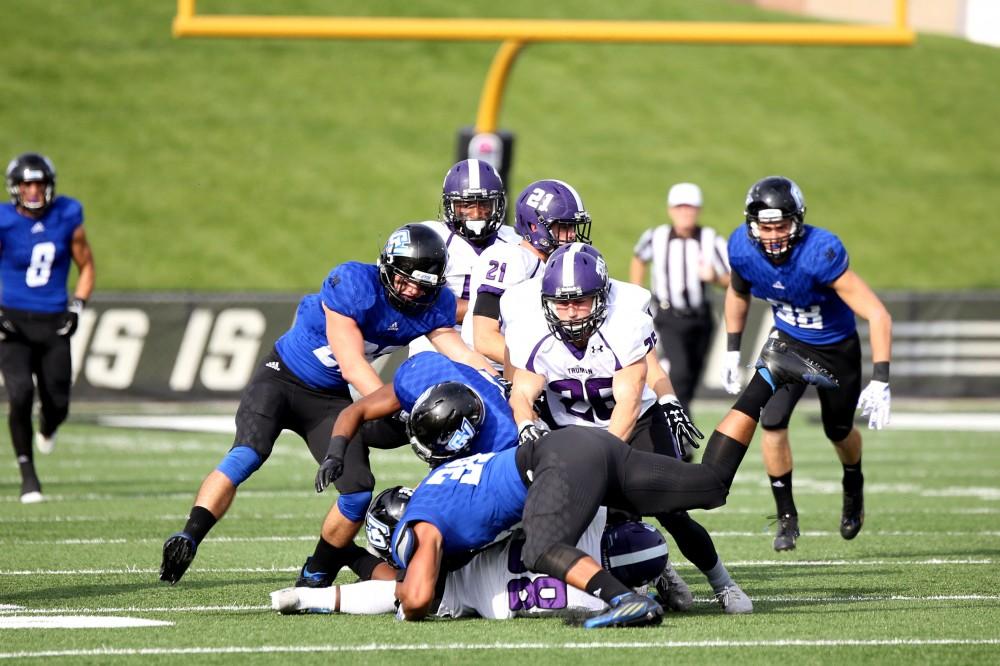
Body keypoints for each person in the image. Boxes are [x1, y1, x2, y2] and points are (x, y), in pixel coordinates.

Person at [385, 337, 836, 628]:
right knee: (711, 484)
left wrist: (403, 593)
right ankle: (768, 374)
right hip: (584, 449)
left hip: (557, 460)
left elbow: (420, 598)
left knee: (541, 549)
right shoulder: (442, 487)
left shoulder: (424, 521)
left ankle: (624, 600)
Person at [159, 224, 493, 584]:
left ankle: (318, 569)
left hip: (326, 401)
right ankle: (189, 534)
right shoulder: (353, 284)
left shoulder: (434, 304)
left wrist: (493, 379)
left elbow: (459, 351)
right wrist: (400, 408)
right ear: (386, 269)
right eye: (404, 280)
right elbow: (352, 367)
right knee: (248, 452)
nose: (412, 290)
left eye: (422, 283)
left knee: (357, 491)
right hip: (281, 379)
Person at [503, 242, 750, 615]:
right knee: (586, 519)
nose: (570, 312)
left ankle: (723, 583)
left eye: (581, 301)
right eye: (561, 302)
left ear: (601, 297)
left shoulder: (626, 321)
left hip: (633, 426)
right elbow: (522, 390)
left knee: (672, 511)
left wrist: (597, 463)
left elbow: (629, 401)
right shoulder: (531, 327)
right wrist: (525, 424)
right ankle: (651, 573)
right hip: (568, 434)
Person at [721, 175, 893, 552]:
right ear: (752, 226)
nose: (773, 235)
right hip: (787, 345)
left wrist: (881, 378)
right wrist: (733, 349)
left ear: (797, 222)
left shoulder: (820, 253)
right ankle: (786, 517)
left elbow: (878, 315)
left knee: (839, 431)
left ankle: (853, 483)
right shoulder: (742, 249)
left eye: (780, 225)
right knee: (772, 420)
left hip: (835, 349)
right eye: (765, 227)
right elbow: (737, 293)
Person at [299, 350, 517, 585]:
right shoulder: (424, 374)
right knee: (394, 512)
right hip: (469, 430)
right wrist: (335, 453)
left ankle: (357, 558)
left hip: (500, 469)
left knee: (422, 539)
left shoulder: (503, 445)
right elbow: (356, 410)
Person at [271, 499, 671, 621]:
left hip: (479, 556)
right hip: (490, 598)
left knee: (405, 586)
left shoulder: (591, 520)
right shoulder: (600, 601)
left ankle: (344, 558)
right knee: (403, 590)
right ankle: (317, 591)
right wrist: (660, 580)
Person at [1, 153, 96, 504]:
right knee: (21, 392)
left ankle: (48, 425)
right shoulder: (4, 220)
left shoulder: (68, 214)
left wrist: (78, 306)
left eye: (39, 182)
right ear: (16, 186)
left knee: (58, 402)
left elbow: (86, 265)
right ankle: (29, 476)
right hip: (12, 321)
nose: (34, 190)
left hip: (54, 319)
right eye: (27, 183)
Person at [629, 182, 730, 437]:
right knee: (681, 372)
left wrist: (715, 277)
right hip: (668, 316)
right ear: (671, 210)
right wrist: (636, 291)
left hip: (700, 317)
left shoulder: (711, 240)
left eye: (690, 208)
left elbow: (733, 278)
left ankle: (677, 424)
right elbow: (639, 257)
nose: (685, 213)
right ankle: (681, 433)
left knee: (692, 376)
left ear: (698, 210)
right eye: (680, 207)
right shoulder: (657, 236)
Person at [463, 179, 591, 368]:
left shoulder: (556, 267)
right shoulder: (510, 258)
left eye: (573, 227)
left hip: (529, 367)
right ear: (534, 226)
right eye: (564, 227)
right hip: (492, 370)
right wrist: (549, 369)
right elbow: (485, 338)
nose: (572, 235)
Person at [408, 159, 521, 356]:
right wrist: (493, 313)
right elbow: (425, 306)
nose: (476, 214)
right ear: (450, 206)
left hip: (498, 353)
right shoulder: (429, 238)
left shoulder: (516, 242)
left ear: (499, 204)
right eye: (466, 205)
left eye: (484, 205)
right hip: (437, 354)